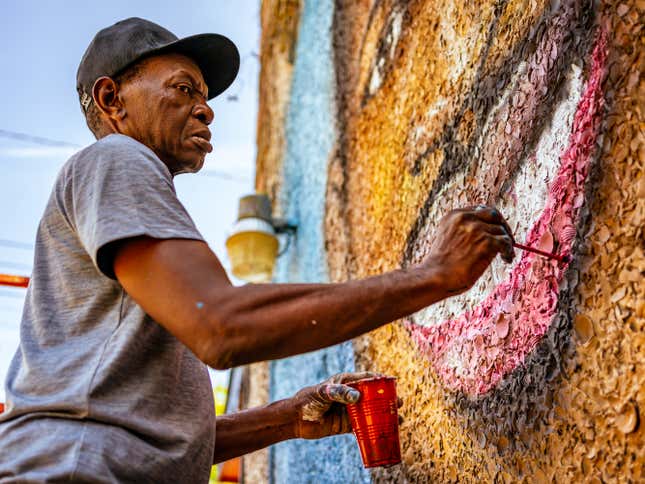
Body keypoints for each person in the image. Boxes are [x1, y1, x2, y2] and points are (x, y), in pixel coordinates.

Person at [0, 18, 515, 483]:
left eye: (204, 96)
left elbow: (154, 435)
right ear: (112, 99)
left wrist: (289, 417)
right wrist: (433, 275)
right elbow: (220, 326)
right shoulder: (117, 159)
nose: (205, 109)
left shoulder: (125, 206)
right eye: (183, 89)